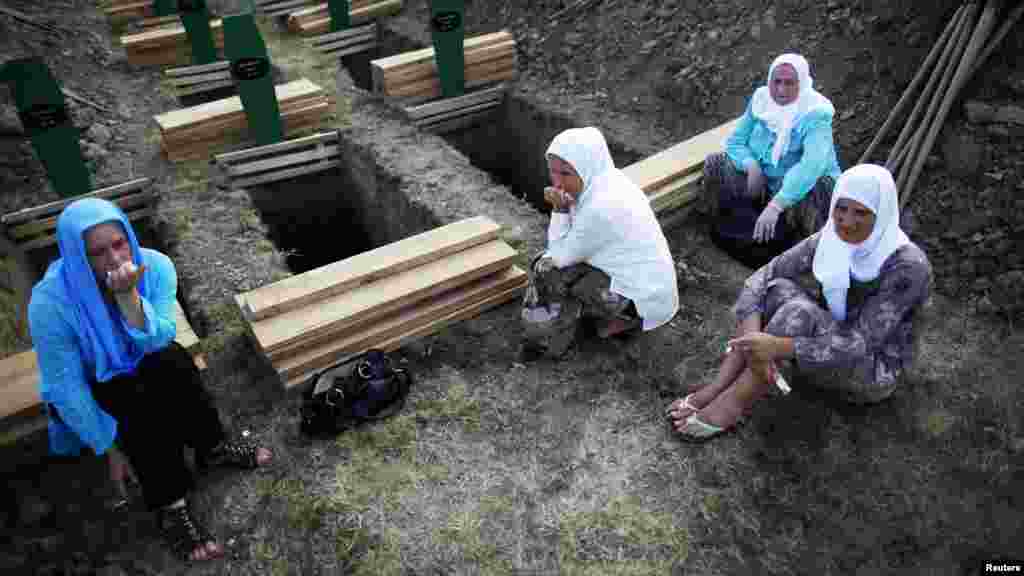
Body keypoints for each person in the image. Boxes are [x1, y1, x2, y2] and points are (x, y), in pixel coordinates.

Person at [28, 198, 272, 562]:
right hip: (95, 381)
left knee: (174, 361)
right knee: (135, 403)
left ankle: (212, 447)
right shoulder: (50, 304)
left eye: (118, 243)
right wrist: (108, 446)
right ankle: (170, 502)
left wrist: (128, 298)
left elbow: (158, 338)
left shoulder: (155, 267)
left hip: (146, 356)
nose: (114, 260)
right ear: (77, 256)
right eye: (97, 253)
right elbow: (66, 386)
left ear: (129, 235)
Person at [668, 164, 931, 441]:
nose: (847, 221)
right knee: (775, 289)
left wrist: (777, 346)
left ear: (882, 214)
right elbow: (761, 278)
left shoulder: (907, 267)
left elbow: (859, 343)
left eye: (861, 213)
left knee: (798, 312)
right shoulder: (833, 235)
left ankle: (734, 403)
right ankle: (718, 386)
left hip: (870, 368)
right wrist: (754, 340)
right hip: (827, 337)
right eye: (841, 208)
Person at [520, 127, 679, 358]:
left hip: (639, 301)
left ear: (586, 168)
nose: (557, 182)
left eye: (565, 174)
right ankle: (608, 318)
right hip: (651, 290)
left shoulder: (600, 207)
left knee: (546, 268)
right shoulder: (606, 181)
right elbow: (571, 242)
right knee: (562, 269)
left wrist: (559, 208)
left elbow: (558, 255)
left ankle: (545, 342)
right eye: (552, 171)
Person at [704, 53, 842, 267]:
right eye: (776, 82)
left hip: (802, 192)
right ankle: (742, 229)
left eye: (790, 83)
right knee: (717, 164)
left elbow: (811, 167)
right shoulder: (761, 100)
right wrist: (751, 165)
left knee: (818, 188)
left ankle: (805, 252)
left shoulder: (815, 115)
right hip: (768, 181)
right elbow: (735, 141)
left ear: (802, 82)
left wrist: (777, 205)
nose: (781, 90)